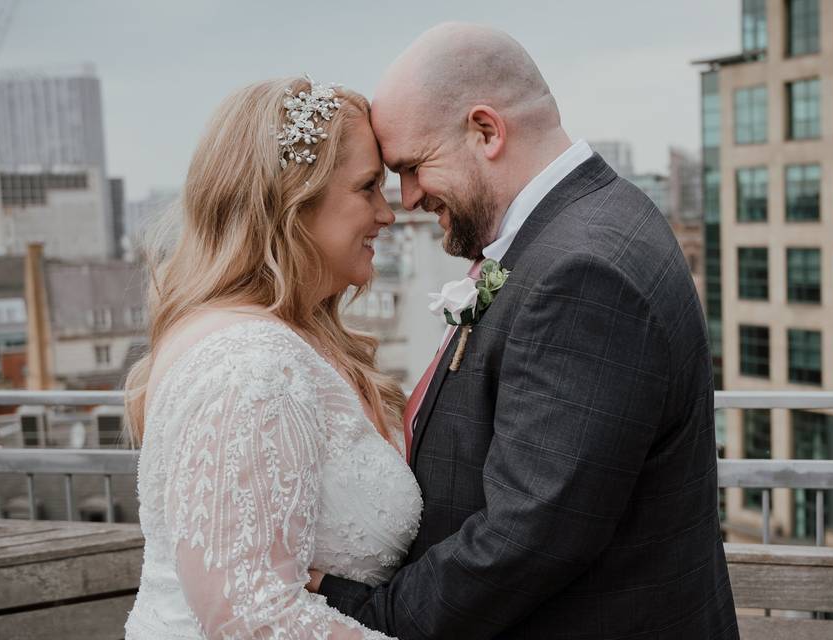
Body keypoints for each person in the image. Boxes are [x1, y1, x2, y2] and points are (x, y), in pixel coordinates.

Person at [313, 23, 740, 639]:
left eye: (413, 166)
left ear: (486, 131)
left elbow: (526, 538)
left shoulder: (582, 271)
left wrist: (364, 617)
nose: (405, 199)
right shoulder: (593, 219)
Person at [123, 76, 422, 639]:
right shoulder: (250, 363)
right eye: (367, 188)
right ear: (293, 201)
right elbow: (250, 614)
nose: (388, 214)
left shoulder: (294, 339)